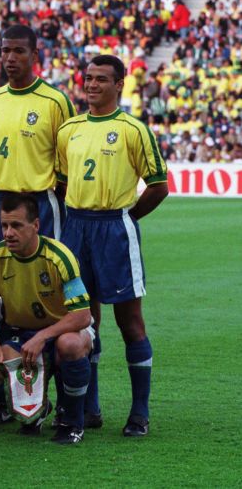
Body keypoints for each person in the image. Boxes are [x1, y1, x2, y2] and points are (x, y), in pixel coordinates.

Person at [56, 55, 168, 437]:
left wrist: (128, 218)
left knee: (129, 320)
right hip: (76, 229)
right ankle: (90, 408)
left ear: (119, 84)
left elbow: (158, 185)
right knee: (85, 319)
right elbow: (61, 182)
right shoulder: (68, 128)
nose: (92, 85)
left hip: (115, 228)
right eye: (88, 78)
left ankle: (139, 412)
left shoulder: (132, 129)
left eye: (101, 79)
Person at [0, 193, 93, 444]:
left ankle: (72, 421)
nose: (8, 233)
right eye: (4, 225)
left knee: (70, 345)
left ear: (36, 225)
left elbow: (83, 315)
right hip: (18, 333)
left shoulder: (60, 257)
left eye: (16, 225)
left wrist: (43, 336)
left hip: (61, 330)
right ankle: (38, 406)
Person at [0, 24, 75, 252]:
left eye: (19, 51)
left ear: (34, 56)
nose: (10, 58)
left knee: (45, 277)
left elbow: (69, 162)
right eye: (5, 51)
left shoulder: (56, 101)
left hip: (37, 202)